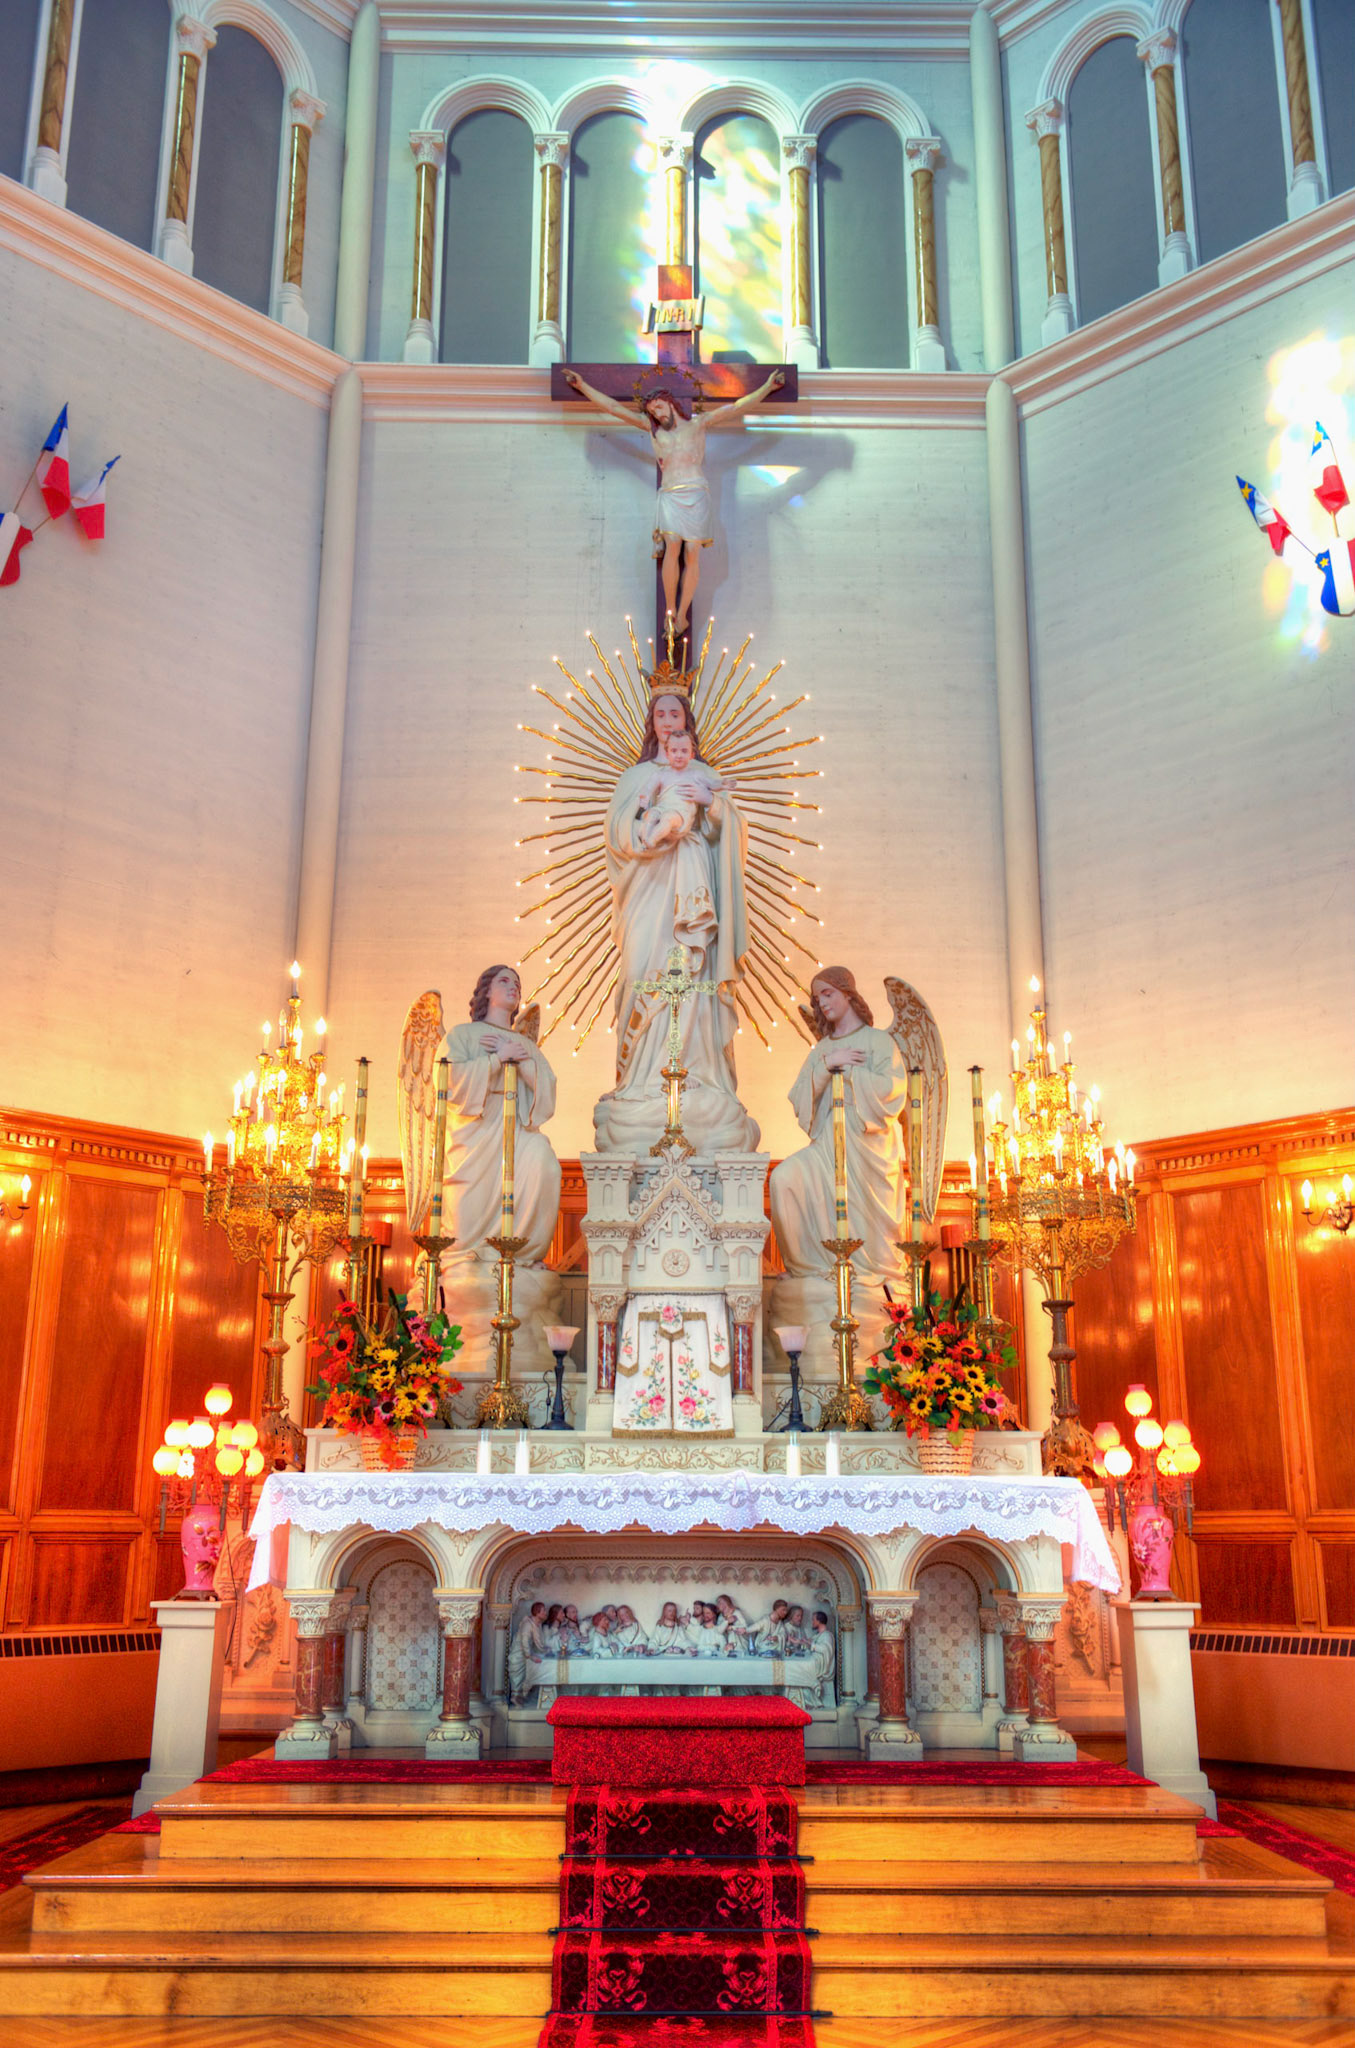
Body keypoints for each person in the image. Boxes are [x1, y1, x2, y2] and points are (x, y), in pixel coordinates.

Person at [596, 689, 759, 1156]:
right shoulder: (636, 776)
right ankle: (638, 1082)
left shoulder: (705, 774)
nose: (668, 720)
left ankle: (698, 1080)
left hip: (693, 892)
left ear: (687, 722)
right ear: (652, 722)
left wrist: (712, 802)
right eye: (660, 712)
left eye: (676, 712)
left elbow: (729, 833)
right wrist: (648, 826)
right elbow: (616, 832)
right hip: (646, 892)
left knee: (692, 980)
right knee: (641, 974)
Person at [562, 367, 785, 634]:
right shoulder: (652, 430)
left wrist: (768, 388)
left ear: (670, 402)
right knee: (672, 547)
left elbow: (736, 407)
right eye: (653, 411)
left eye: (659, 407)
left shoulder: (699, 423)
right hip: (670, 494)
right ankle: (670, 611)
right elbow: (612, 408)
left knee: (692, 552)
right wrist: (582, 385)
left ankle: (682, 615)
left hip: (696, 491)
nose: (657, 414)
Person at [769, 968, 910, 1291]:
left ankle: (876, 1272)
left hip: (867, 1146)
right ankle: (806, 1268)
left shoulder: (879, 1041)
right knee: (783, 1179)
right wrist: (825, 1066)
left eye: (828, 994)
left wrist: (847, 1071)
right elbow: (799, 1096)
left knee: (869, 1229)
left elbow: (893, 1091)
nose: (822, 1003)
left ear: (848, 993)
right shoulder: (821, 1050)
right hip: (828, 1146)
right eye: (818, 998)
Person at [788, 1610, 837, 1711]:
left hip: (821, 1667)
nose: (812, 1622)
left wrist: (811, 1645)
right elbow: (808, 1643)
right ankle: (804, 1699)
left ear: (819, 1621)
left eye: (813, 1620)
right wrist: (798, 1641)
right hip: (814, 1663)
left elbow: (825, 1649)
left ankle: (812, 1700)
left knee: (800, 1670)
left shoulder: (827, 1635)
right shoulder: (818, 1635)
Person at [507, 1601, 551, 1705]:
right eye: (544, 1610)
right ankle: (515, 1697)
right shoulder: (528, 1624)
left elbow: (538, 1642)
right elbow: (524, 1641)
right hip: (519, 1654)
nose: (546, 1613)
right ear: (537, 1612)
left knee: (526, 1676)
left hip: (526, 1655)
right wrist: (529, 1656)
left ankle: (520, 1696)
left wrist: (545, 1649)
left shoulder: (537, 1624)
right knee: (518, 1676)